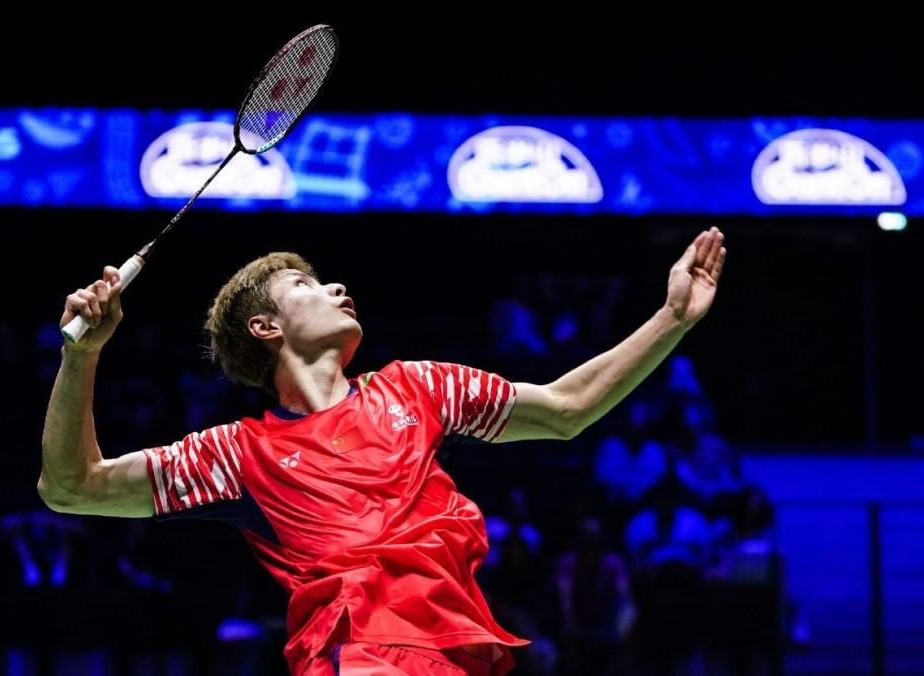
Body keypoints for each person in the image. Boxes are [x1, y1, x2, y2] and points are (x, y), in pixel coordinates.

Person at [38, 228, 726, 674]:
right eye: (305, 284)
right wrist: (82, 356)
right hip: (355, 656)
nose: (337, 288)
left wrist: (672, 319)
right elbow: (73, 485)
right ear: (265, 327)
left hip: (454, 653)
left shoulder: (418, 388)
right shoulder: (240, 455)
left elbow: (565, 410)